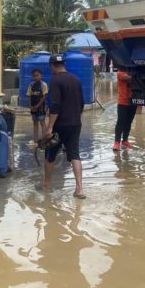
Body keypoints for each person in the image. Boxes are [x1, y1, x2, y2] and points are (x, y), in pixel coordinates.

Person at [44, 54, 85, 199]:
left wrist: (50, 127)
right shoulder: (76, 79)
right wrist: (76, 119)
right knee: (74, 155)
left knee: (50, 154)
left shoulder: (55, 79)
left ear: (52, 66)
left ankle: (46, 185)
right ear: (64, 64)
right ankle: (79, 189)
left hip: (59, 124)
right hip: (75, 123)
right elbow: (81, 104)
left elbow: (55, 105)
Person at [113, 70, 138, 150]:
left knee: (128, 122)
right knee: (120, 122)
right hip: (122, 102)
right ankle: (117, 142)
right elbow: (127, 78)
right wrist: (138, 76)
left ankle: (125, 140)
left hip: (133, 102)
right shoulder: (120, 73)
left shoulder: (132, 73)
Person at [27, 68, 48, 144]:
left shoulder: (44, 85)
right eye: (34, 76)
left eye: (37, 75)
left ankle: (44, 140)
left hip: (41, 108)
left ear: (41, 75)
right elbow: (29, 96)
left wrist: (38, 105)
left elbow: (44, 96)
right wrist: (30, 106)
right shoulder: (31, 85)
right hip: (33, 108)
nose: (35, 77)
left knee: (42, 123)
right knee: (35, 123)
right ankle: (35, 140)